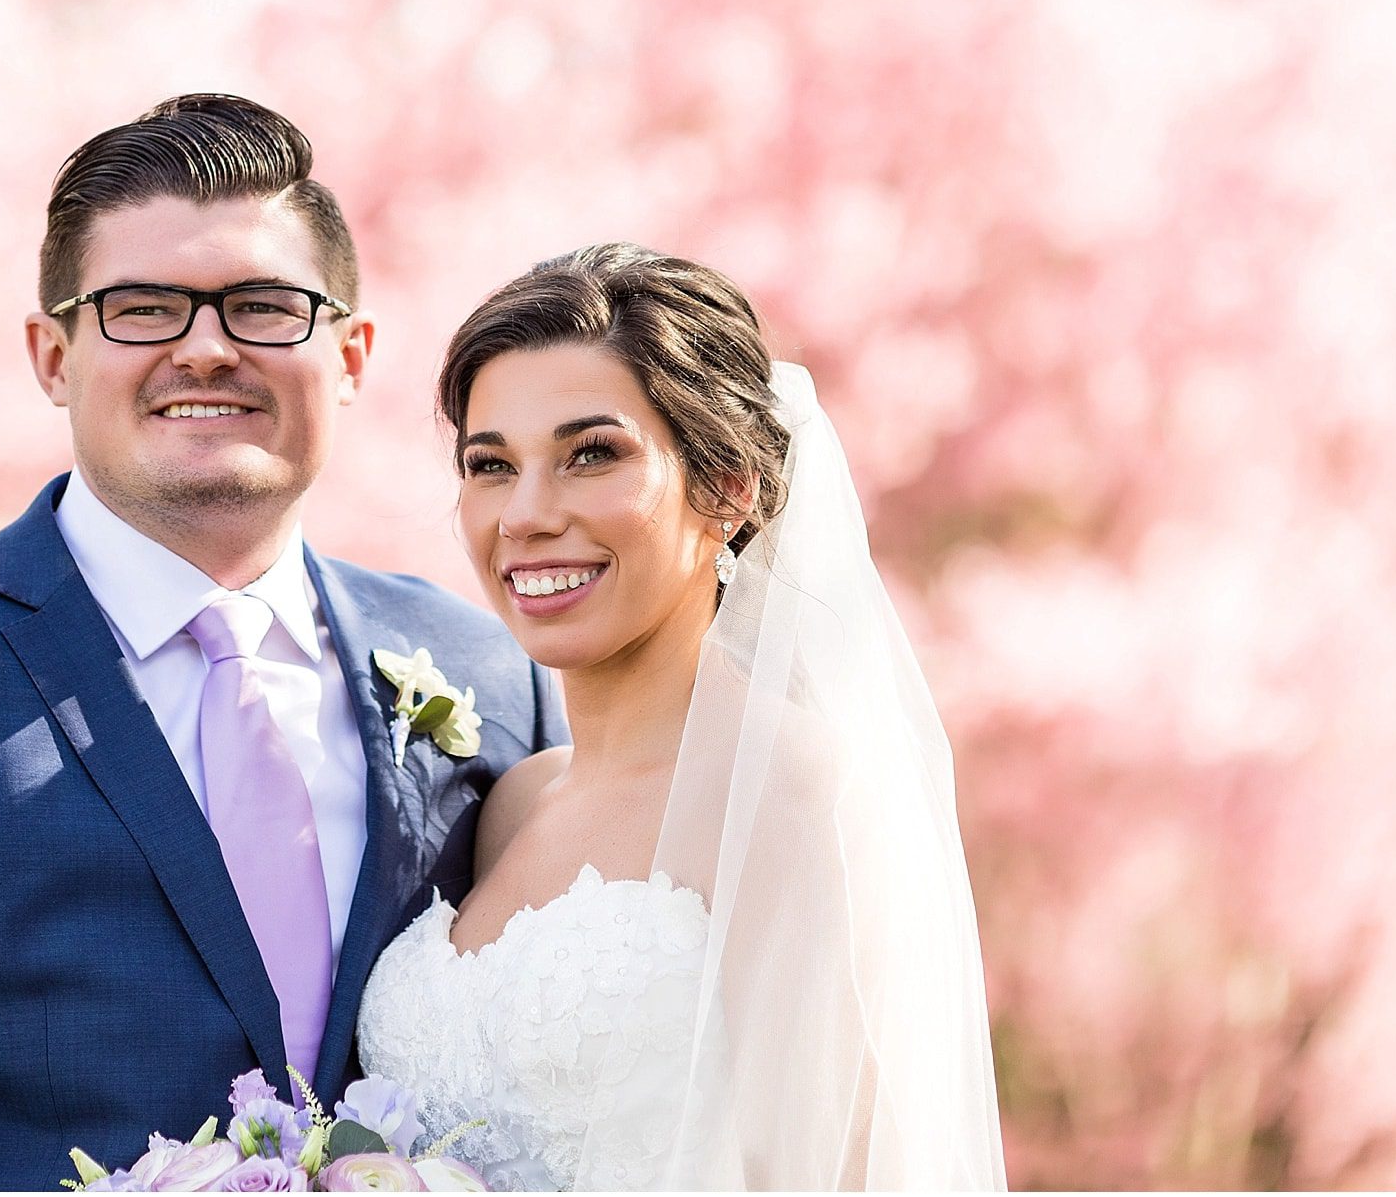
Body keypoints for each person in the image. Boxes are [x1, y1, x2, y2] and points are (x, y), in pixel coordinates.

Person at [0, 96, 567, 1190]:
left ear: (353, 354)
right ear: (51, 356)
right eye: (141, 307)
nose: (205, 348)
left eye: (264, 306)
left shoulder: (494, 675)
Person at [357, 242, 1006, 1190]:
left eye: (592, 454)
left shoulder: (799, 794)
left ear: (727, 488)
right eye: (490, 464)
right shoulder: (514, 800)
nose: (527, 514)